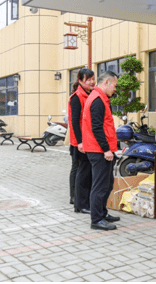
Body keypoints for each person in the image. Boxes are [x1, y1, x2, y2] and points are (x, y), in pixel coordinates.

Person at [82, 71, 121, 230]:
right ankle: (96, 219)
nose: (115, 89)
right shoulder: (97, 100)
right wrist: (106, 149)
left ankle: (102, 212)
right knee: (100, 185)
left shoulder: (101, 98)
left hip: (101, 149)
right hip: (98, 150)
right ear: (106, 82)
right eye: (114, 85)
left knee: (107, 183)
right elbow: (97, 128)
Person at [68, 68, 95, 214]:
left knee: (84, 171)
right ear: (80, 81)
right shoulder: (77, 97)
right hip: (80, 141)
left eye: (93, 78)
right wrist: (79, 142)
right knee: (81, 171)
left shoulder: (90, 94)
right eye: (88, 79)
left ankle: (81, 201)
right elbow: (74, 121)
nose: (92, 82)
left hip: (89, 140)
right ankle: (79, 202)